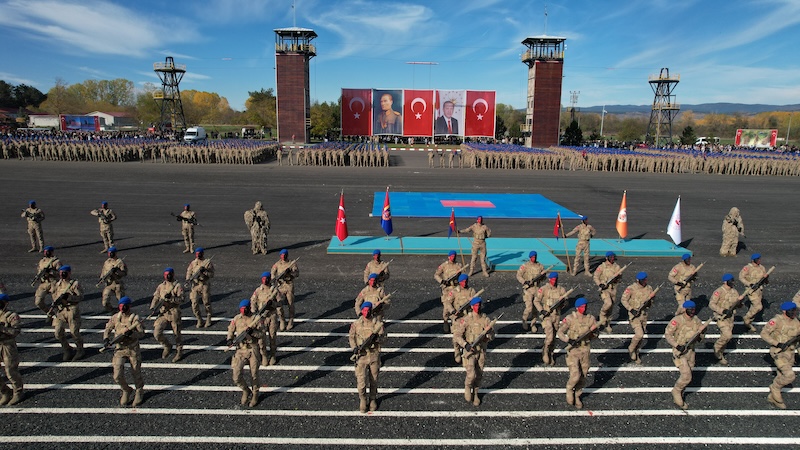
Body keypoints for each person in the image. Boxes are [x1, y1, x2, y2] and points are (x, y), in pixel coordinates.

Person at [102, 296, 145, 407]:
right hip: (120, 349)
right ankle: (126, 389)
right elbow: (108, 328)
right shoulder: (116, 317)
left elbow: (141, 333)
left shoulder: (134, 319)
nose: (123, 307)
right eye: (121, 305)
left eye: (125, 305)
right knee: (117, 375)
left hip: (132, 349)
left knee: (136, 372)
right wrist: (106, 338)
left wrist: (132, 334)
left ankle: (139, 390)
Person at [453, 297, 494, 406]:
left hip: (481, 351)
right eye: (475, 305)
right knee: (471, 374)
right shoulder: (466, 320)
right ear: (471, 306)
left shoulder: (485, 320)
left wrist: (488, 334)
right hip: (470, 351)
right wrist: (465, 345)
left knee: (479, 375)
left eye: (479, 305)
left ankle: (476, 393)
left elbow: (492, 336)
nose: (477, 307)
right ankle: (468, 386)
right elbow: (457, 335)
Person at [557, 297, 597, 409]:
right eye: (581, 307)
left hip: (585, 350)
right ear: (577, 307)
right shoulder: (570, 318)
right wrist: (568, 340)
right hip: (573, 351)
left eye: (585, 306)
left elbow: (595, 336)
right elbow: (560, 332)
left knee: (583, 376)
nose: (584, 308)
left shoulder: (590, 319)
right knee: (575, 375)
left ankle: (578, 394)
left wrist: (594, 332)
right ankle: (569, 389)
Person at [665, 300, 706, 409]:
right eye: (690, 310)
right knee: (687, 376)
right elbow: (668, 334)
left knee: (689, 372)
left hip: (690, 352)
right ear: (685, 310)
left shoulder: (696, 320)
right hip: (680, 352)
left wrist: (702, 331)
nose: (692, 312)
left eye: (693, 309)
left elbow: (700, 339)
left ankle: (681, 390)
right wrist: (676, 345)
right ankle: (676, 391)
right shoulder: (677, 320)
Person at [760, 302, 800, 409]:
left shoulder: (796, 322)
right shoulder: (776, 321)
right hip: (778, 352)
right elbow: (763, 334)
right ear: (784, 311)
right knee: (789, 375)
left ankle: (772, 397)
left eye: (794, 310)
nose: (793, 312)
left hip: (790, 353)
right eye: (791, 311)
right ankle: (775, 388)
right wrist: (776, 343)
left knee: (781, 374)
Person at [349, 301, 387, 413]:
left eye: (367, 310)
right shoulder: (356, 324)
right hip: (361, 357)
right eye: (364, 310)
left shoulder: (377, 324)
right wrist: (354, 348)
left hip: (374, 355)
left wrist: (378, 338)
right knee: (361, 382)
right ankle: (362, 399)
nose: (366, 312)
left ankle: (372, 399)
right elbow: (351, 338)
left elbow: (385, 339)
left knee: (374, 380)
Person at [226, 299, 262, 407]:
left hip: (252, 349)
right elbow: (230, 329)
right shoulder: (237, 319)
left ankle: (255, 394)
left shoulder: (255, 319)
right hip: (240, 349)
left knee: (254, 375)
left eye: (244, 309)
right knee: (236, 376)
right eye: (241, 309)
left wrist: (253, 332)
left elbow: (261, 334)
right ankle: (246, 390)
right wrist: (229, 339)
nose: (243, 311)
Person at [50, 265, 84, 361]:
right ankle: (67, 348)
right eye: (61, 272)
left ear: (69, 273)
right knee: (58, 333)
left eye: (65, 272)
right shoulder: (58, 284)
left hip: (72, 310)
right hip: (61, 311)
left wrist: (69, 298)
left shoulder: (74, 284)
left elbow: (80, 297)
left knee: (74, 332)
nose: (63, 274)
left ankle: (80, 350)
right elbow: (55, 296)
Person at [151, 267, 184, 363]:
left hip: (174, 312)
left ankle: (179, 351)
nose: (168, 276)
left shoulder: (177, 286)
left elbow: (182, 299)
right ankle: (167, 345)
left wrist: (172, 298)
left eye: (169, 274)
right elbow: (156, 297)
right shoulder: (161, 286)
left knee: (177, 334)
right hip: (163, 312)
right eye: (166, 274)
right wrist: (153, 307)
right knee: (157, 332)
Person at [620, 272, 655, 364]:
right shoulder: (631, 288)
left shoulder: (649, 288)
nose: (645, 281)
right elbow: (623, 300)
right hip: (634, 316)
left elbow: (651, 303)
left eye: (645, 279)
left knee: (641, 336)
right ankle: (631, 348)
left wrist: (651, 299)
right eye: (643, 280)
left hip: (643, 315)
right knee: (639, 334)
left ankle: (636, 352)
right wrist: (631, 309)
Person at [535, 272, 567, 365]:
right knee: (550, 336)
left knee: (554, 338)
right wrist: (541, 310)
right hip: (547, 316)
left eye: (555, 279)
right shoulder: (544, 289)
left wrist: (562, 303)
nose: (554, 281)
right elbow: (536, 301)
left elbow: (566, 303)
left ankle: (551, 353)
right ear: (549, 279)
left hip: (556, 316)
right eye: (552, 279)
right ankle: (545, 351)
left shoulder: (561, 290)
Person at [250, 272, 282, 366]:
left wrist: (273, 304)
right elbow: (253, 301)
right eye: (263, 279)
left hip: (272, 315)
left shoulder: (274, 290)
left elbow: (280, 302)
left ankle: (273, 355)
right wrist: (254, 312)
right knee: (261, 339)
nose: (264, 280)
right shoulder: (258, 290)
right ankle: (264, 356)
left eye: (266, 279)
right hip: (261, 317)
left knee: (272, 337)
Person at [709, 273, 741, 365]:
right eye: (731, 281)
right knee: (727, 335)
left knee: (726, 338)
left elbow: (737, 305)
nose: (733, 282)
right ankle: (717, 348)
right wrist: (722, 310)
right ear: (725, 282)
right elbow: (711, 304)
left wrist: (739, 303)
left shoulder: (734, 292)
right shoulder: (719, 291)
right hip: (721, 318)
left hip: (730, 318)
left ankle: (720, 354)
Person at [447, 274, 478, 363]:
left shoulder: (471, 291)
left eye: (466, 281)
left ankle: (465, 354)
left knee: (467, 336)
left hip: (468, 318)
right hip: (458, 318)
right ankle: (456, 349)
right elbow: (448, 303)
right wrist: (453, 311)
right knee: (456, 337)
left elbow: (476, 303)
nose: (464, 283)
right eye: (463, 281)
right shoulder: (454, 291)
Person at [0, 293, 23, 406]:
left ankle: (18, 391)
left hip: (8, 346)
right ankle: (5, 391)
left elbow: (15, 331)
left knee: (10, 370)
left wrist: (3, 329)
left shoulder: (12, 316)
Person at [739, 253, 769, 332]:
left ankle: (748, 322)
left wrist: (766, 278)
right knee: (758, 307)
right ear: (753, 260)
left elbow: (765, 281)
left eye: (759, 259)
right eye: (757, 259)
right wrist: (749, 284)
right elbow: (741, 277)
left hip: (759, 290)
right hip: (751, 290)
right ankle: (747, 318)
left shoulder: (762, 268)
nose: (759, 261)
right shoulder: (747, 268)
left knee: (754, 307)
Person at [434, 250, 463, 333]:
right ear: (449, 257)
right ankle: (445, 320)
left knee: (456, 305)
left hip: (455, 288)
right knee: (447, 307)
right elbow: (436, 275)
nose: (453, 257)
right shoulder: (444, 266)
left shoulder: (458, 266)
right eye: (451, 256)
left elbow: (462, 277)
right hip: (447, 289)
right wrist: (442, 281)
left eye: (454, 256)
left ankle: (454, 323)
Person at [593, 251, 622, 333]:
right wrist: (600, 284)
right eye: (610, 257)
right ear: (607, 258)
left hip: (613, 289)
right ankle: (602, 315)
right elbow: (596, 276)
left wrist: (617, 278)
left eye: (613, 257)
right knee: (608, 303)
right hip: (605, 289)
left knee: (611, 308)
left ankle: (607, 323)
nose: (612, 259)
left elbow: (620, 279)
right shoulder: (602, 267)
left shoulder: (617, 267)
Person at [186, 248, 215, 328]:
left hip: (204, 284)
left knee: (206, 303)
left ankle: (208, 317)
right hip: (195, 285)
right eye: (197, 253)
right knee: (194, 303)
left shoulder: (207, 263)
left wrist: (205, 272)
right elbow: (189, 272)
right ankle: (199, 319)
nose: (198, 255)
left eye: (199, 253)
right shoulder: (193, 263)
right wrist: (188, 279)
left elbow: (212, 275)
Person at [517, 251, 545, 332]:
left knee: (535, 309)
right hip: (528, 289)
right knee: (529, 308)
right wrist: (524, 281)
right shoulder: (525, 266)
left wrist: (542, 276)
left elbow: (544, 278)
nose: (534, 258)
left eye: (535, 257)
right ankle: (524, 320)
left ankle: (533, 324)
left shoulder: (540, 266)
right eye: (532, 257)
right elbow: (518, 275)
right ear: (530, 257)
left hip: (536, 289)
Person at [271, 249, 299, 330]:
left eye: (284, 255)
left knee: (290, 304)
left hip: (289, 285)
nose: (283, 256)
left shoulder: (292, 264)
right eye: (282, 255)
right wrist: (274, 279)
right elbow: (272, 273)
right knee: (279, 304)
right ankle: (282, 320)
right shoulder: (277, 264)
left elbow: (297, 274)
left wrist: (290, 272)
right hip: (280, 286)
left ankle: (291, 320)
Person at [33, 246, 61, 315]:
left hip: (53, 282)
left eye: (48, 252)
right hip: (44, 283)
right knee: (38, 302)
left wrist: (51, 272)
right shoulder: (42, 261)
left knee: (57, 303)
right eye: (45, 252)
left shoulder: (56, 262)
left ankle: (60, 317)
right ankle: (50, 313)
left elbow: (61, 274)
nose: (46, 253)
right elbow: (39, 270)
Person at [99, 246, 127, 312]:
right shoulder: (107, 262)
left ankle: (121, 312)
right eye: (109, 252)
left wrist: (117, 271)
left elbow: (124, 273)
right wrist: (101, 278)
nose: (110, 254)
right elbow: (103, 271)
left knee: (121, 302)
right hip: (109, 284)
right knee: (105, 301)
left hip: (117, 284)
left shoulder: (119, 262)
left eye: (112, 252)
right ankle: (111, 311)